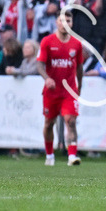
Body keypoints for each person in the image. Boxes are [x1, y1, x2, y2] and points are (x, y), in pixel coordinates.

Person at [38, 13, 84, 166]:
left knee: (70, 121)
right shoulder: (47, 41)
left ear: (71, 23)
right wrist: (47, 78)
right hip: (51, 92)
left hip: (69, 91)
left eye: (68, 20)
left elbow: (79, 68)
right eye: (61, 20)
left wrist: (79, 88)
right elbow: (39, 65)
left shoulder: (77, 44)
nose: (64, 23)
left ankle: (72, 156)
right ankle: (50, 155)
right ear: (56, 22)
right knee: (49, 124)